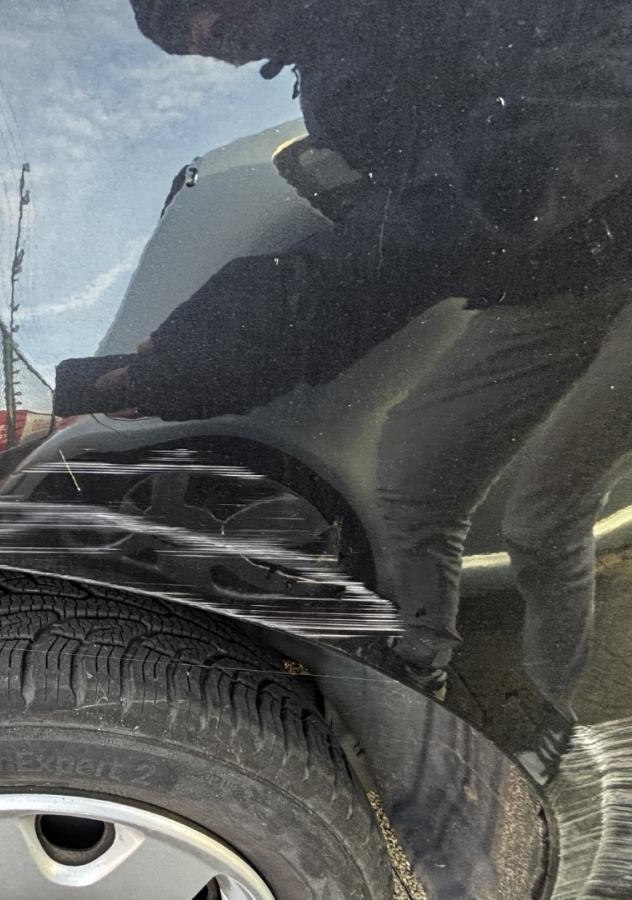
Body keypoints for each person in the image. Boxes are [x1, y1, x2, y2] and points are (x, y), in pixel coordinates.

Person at [110, 0, 632, 777]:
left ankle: (565, 722)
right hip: (547, 280)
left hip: (613, 237)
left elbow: (510, 171)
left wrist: (238, 334)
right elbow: (404, 221)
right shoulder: (323, 73)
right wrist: (204, 354)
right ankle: (418, 658)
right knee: (415, 472)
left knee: (542, 515)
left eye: (200, 13)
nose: (208, 39)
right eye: (188, 41)